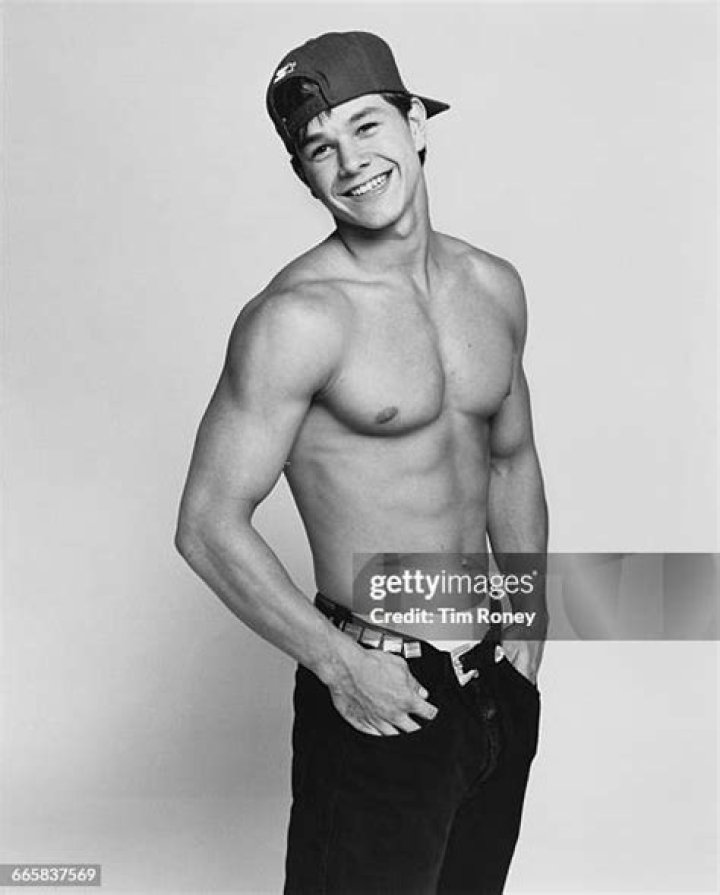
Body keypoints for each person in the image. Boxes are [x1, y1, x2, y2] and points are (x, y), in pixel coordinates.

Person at [175, 30, 548, 895]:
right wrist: (344, 667)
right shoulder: (297, 318)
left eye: (367, 126)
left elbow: (511, 461)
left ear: (415, 124)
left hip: (489, 684)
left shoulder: (494, 287)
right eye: (320, 149)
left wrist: (528, 629)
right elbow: (206, 523)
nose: (350, 162)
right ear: (306, 178)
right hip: (379, 688)